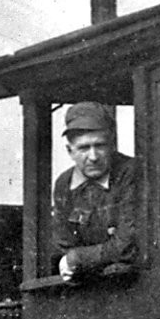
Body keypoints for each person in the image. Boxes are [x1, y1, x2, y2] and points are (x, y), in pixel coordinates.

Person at [50, 103, 142, 280]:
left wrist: (78, 258)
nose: (93, 157)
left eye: (100, 146)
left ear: (112, 145)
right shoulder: (64, 184)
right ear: (70, 151)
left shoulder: (131, 172)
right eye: (83, 148)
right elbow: (63, 245)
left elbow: (127, 247)